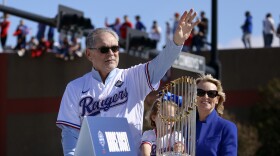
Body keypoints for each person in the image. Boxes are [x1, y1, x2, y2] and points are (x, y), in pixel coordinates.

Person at [56, 9, 200, 156]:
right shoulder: (75, 87)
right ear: (89, 54)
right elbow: (70, 134)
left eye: (115, 48)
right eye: (104, 49)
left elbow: (161, 64)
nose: (111, 53)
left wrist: (176, 43)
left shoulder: (133, 76)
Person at [195, 74, 238, 156]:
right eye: (200, 92)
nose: (205, 96)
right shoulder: (186, 127)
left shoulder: (227, 127)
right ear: (195, 96)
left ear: (217, 99)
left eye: (211, 93)